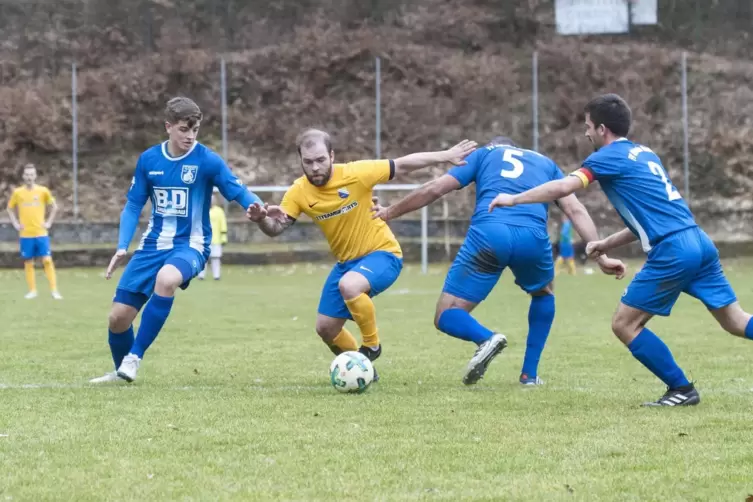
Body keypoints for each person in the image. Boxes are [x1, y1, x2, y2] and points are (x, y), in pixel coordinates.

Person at [488, 94, 753, 406]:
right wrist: (605, 244)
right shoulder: (645, 154)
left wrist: (513, 198)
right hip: (698, 241)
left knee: (624, 324)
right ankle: (681, 389)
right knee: (735, 321)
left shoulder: (605, 158)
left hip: (674, 250)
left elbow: (562, 188)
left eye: (588, 126)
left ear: (602, 129)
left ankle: (681, 389)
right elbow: (648, 218)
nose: (586, 133)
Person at [372, 137, 625, 385]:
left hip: (491, 233)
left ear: (495, 145)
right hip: (533, 239)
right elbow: (575, 209)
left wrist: (389, 212)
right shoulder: (546, 163)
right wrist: (600, 255)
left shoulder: (483, 154)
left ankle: (486, 338)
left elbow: (435, 187)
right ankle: (529, 375)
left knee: (446, 315)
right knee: (544, 294)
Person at [248, 128, 477, 380]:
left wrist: (445, 155)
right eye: (308, 161)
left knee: (350, 285)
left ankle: (372, 346)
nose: (315, 167)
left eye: (321, 160)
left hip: (383, 254)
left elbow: (402, 165)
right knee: (325, 328)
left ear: (332, 156)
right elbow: (277, 227)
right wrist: (261, 220)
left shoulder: (356, 173)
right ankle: (365, 372)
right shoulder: (299, 191)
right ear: (300, 160)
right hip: (346, 263)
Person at [89, 97, 264, 384]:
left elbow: (238, 190)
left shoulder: (207, 160)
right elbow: (134, 205)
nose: (190, 136)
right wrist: (123, 246)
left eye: (195, 130)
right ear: (168, 126)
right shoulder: (149, 160)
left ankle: (134, 358)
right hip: (152, 245)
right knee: (118, 319)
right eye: (184, 129)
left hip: (191, 244)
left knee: (167, 279)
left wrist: (257, 205)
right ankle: (121, 373)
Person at [6, 163, 62, 300]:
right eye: (27, 175)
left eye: (32, 174)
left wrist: (48, 222)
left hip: (41, 233)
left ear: (35, 176)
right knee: (29, 262)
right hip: (26, 234)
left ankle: (54, 290)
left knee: (47, 260)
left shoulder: (43, 191)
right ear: (23, 176)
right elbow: (9, 208)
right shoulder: (18, 193)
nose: (29, 177)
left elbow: (54, 207)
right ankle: (32, 290)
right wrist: (15, 223)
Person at [198, 188, 227, 280]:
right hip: (203, 239)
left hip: (216, 239)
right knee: (203, 259)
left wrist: (223, 237)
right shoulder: (201, 209)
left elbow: (223, 224)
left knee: (216, 258)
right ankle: (201, 275)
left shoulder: (219, 211)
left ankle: (216, 275)